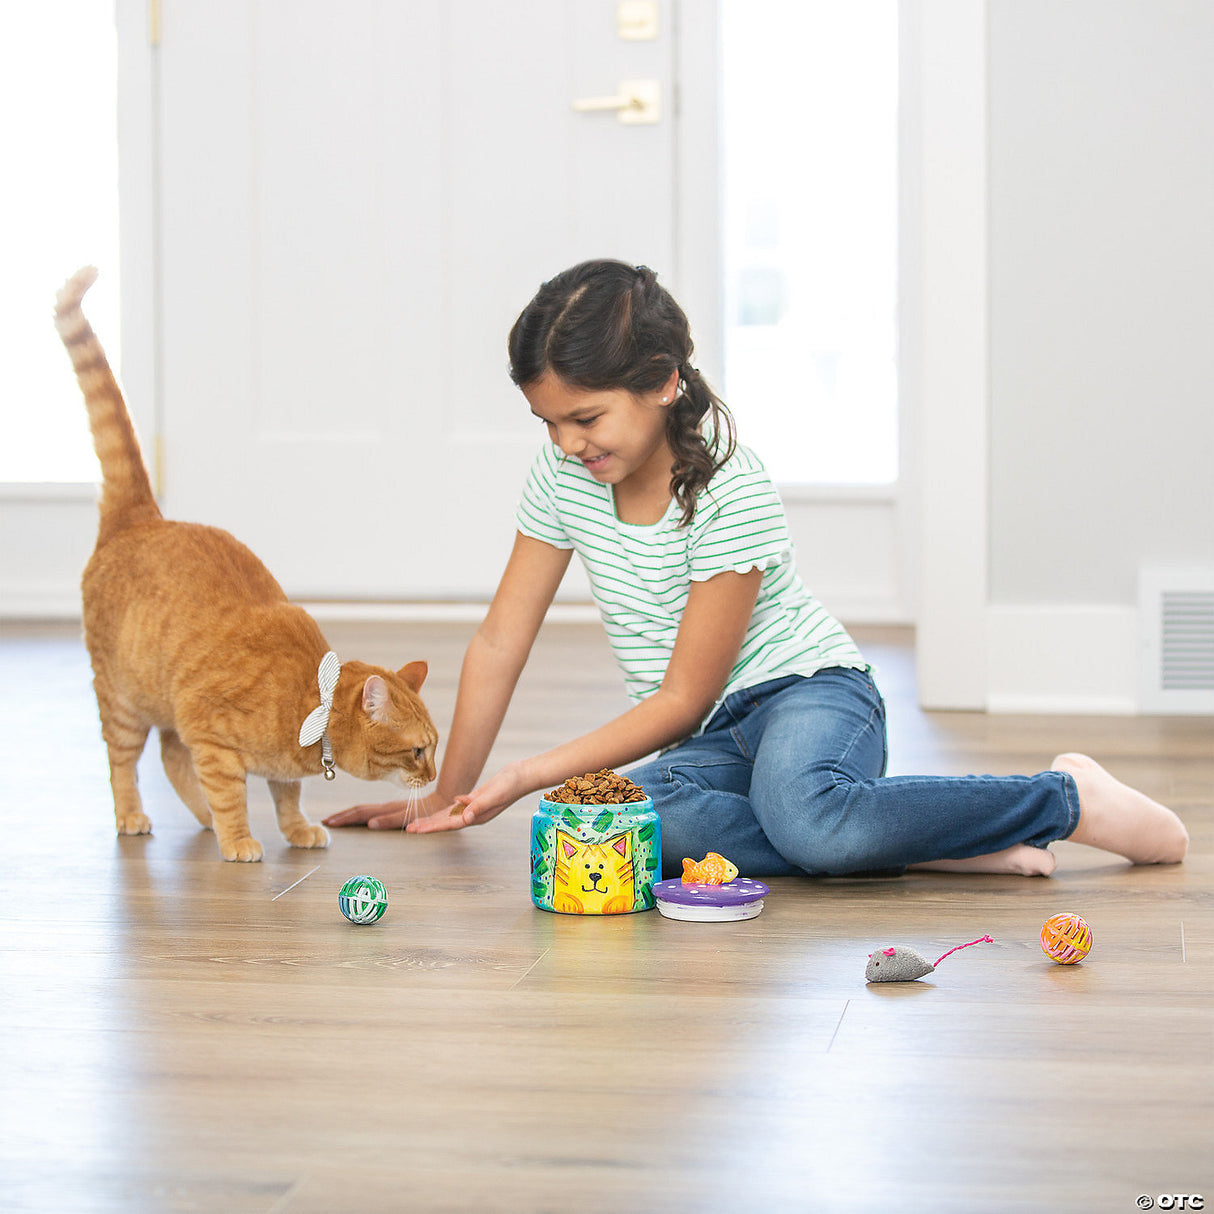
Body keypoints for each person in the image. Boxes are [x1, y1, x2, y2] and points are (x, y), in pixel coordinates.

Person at [324, 260, 1188, 876]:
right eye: (548, 424)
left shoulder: (731, 485)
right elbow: (499, 643)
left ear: (662, 382)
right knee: (589, 819)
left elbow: (680, 699)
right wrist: (447, 794)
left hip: (809, 696)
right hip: (709, 744)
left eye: (584, 418)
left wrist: (518, 775)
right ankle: (917, 838)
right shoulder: (562, 478)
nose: (566, 444)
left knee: (805, 817)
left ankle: (1061, 797)